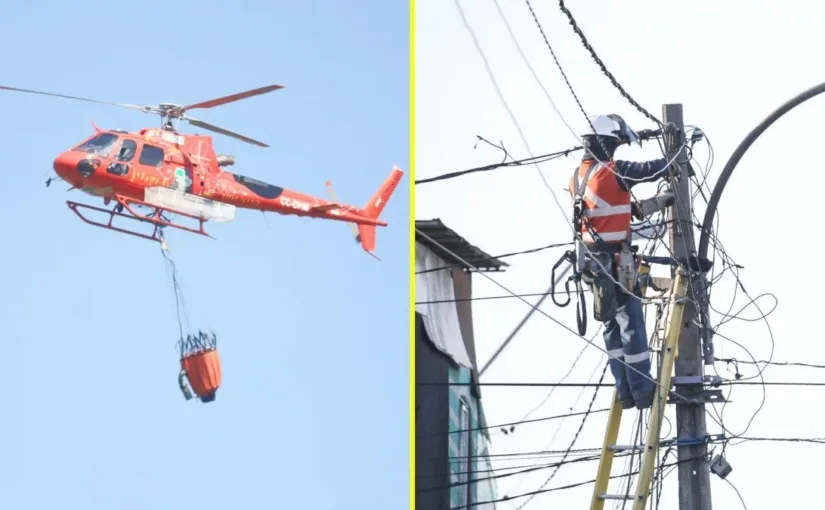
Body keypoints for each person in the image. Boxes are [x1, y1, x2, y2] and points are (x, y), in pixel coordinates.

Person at [569, 114, 674, 410]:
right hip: (615, 264)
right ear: (606, 143)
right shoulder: (613, 172)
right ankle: (642, 392)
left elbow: (614, 208)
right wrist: (680, 154)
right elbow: (654, 169)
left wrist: (658, 201)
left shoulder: (577, 175)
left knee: (612, 328)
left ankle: (625, 393)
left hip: (592, 264)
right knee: (631, 327)